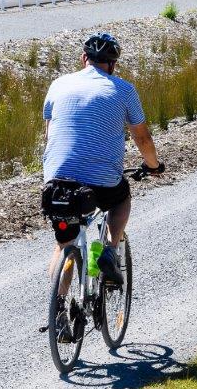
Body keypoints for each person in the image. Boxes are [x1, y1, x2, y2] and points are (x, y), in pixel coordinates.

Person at [42, 33, 163, 333]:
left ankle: (57, 309)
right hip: (101, 183)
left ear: (84, 59)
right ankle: (109, 250)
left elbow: (49, 134)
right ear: (113, 65)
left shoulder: (58, 84)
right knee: (121, 198)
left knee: (64, 243)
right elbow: (142, 137)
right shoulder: (124, 90)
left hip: (56, 183)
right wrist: (154, 165)